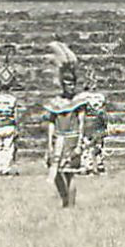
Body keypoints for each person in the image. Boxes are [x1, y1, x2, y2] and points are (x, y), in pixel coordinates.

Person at [44, 42, 89, 208]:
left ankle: (70, 204)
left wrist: (79, 145)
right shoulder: (56, 102)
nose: (70, 87)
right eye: (67, 83)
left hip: (71, 139)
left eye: (72, 83)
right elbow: (51, 124)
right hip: (58, 140)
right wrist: (49, 143)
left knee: (69, 174)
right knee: (55, 172)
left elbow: (82, 123)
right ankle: (64, 199)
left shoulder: (79, 102)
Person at [81, 68, 110, 176]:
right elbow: (81, 111)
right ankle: (86, 166)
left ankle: (100, 164)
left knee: (98, 145)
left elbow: (103, 111)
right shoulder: (83, 97)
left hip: (98, 123)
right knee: (87, 145)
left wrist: (105, 124)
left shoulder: (100, 97)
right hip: (88, 122)